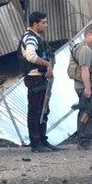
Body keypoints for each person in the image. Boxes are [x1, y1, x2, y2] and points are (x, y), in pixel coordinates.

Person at [20, 11, 58, 153]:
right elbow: (31, 56)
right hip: (34, 78)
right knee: (36, 110)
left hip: (40, 77)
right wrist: (46, 65)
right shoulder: (30, 38)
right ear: (35, 24)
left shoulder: (37, 38)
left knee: (43, 110)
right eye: (43, 22)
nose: (46, 25)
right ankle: (36, 143)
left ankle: (42, 140)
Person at [68, 25, 92, 150]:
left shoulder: (90, 48)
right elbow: (84, 69)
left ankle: (86, 140)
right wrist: (88, 88)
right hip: (89, 86)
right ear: (88, 35)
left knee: (91, 112)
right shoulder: (85, 49)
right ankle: (84, 141)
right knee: (88, 112)